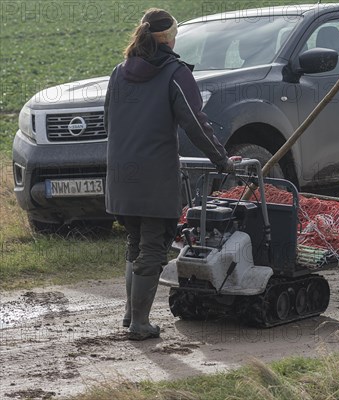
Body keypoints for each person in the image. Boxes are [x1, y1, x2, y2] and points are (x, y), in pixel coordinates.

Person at [104, 8, 234, 340]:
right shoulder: (175, 73)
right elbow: (196, 123)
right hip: (155, 177)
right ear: (169, 38)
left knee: (135, 243)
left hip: (120, 176)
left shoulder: (119, 73)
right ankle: (139, 324)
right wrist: (222, 160)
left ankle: (131, 315)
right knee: (153, 247)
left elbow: (109, 122)